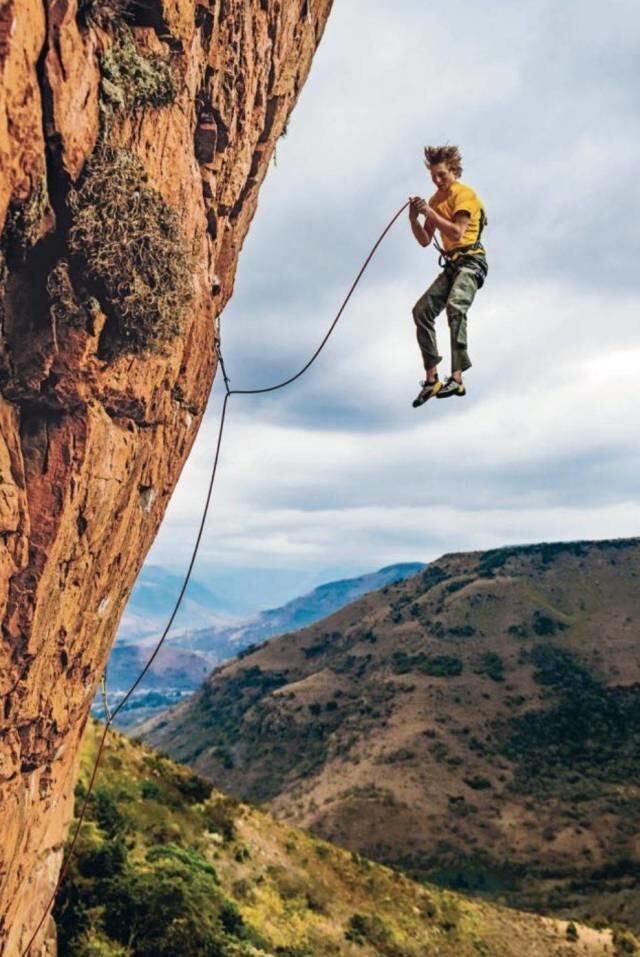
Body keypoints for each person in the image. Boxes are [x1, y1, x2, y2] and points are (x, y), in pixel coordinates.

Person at [409, 145, 488, 407]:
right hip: (452, 266)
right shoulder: (435, 201)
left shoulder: (465, 195)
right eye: (433, 176)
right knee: (421, 311)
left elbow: (456, 233)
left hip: (471, 261)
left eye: (442, 174)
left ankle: (457, 378)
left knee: (455, 305)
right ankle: (432, 380)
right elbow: (424, 240)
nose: (437, 180)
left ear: (453, 170)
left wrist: (430, 214)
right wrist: (414, 218)